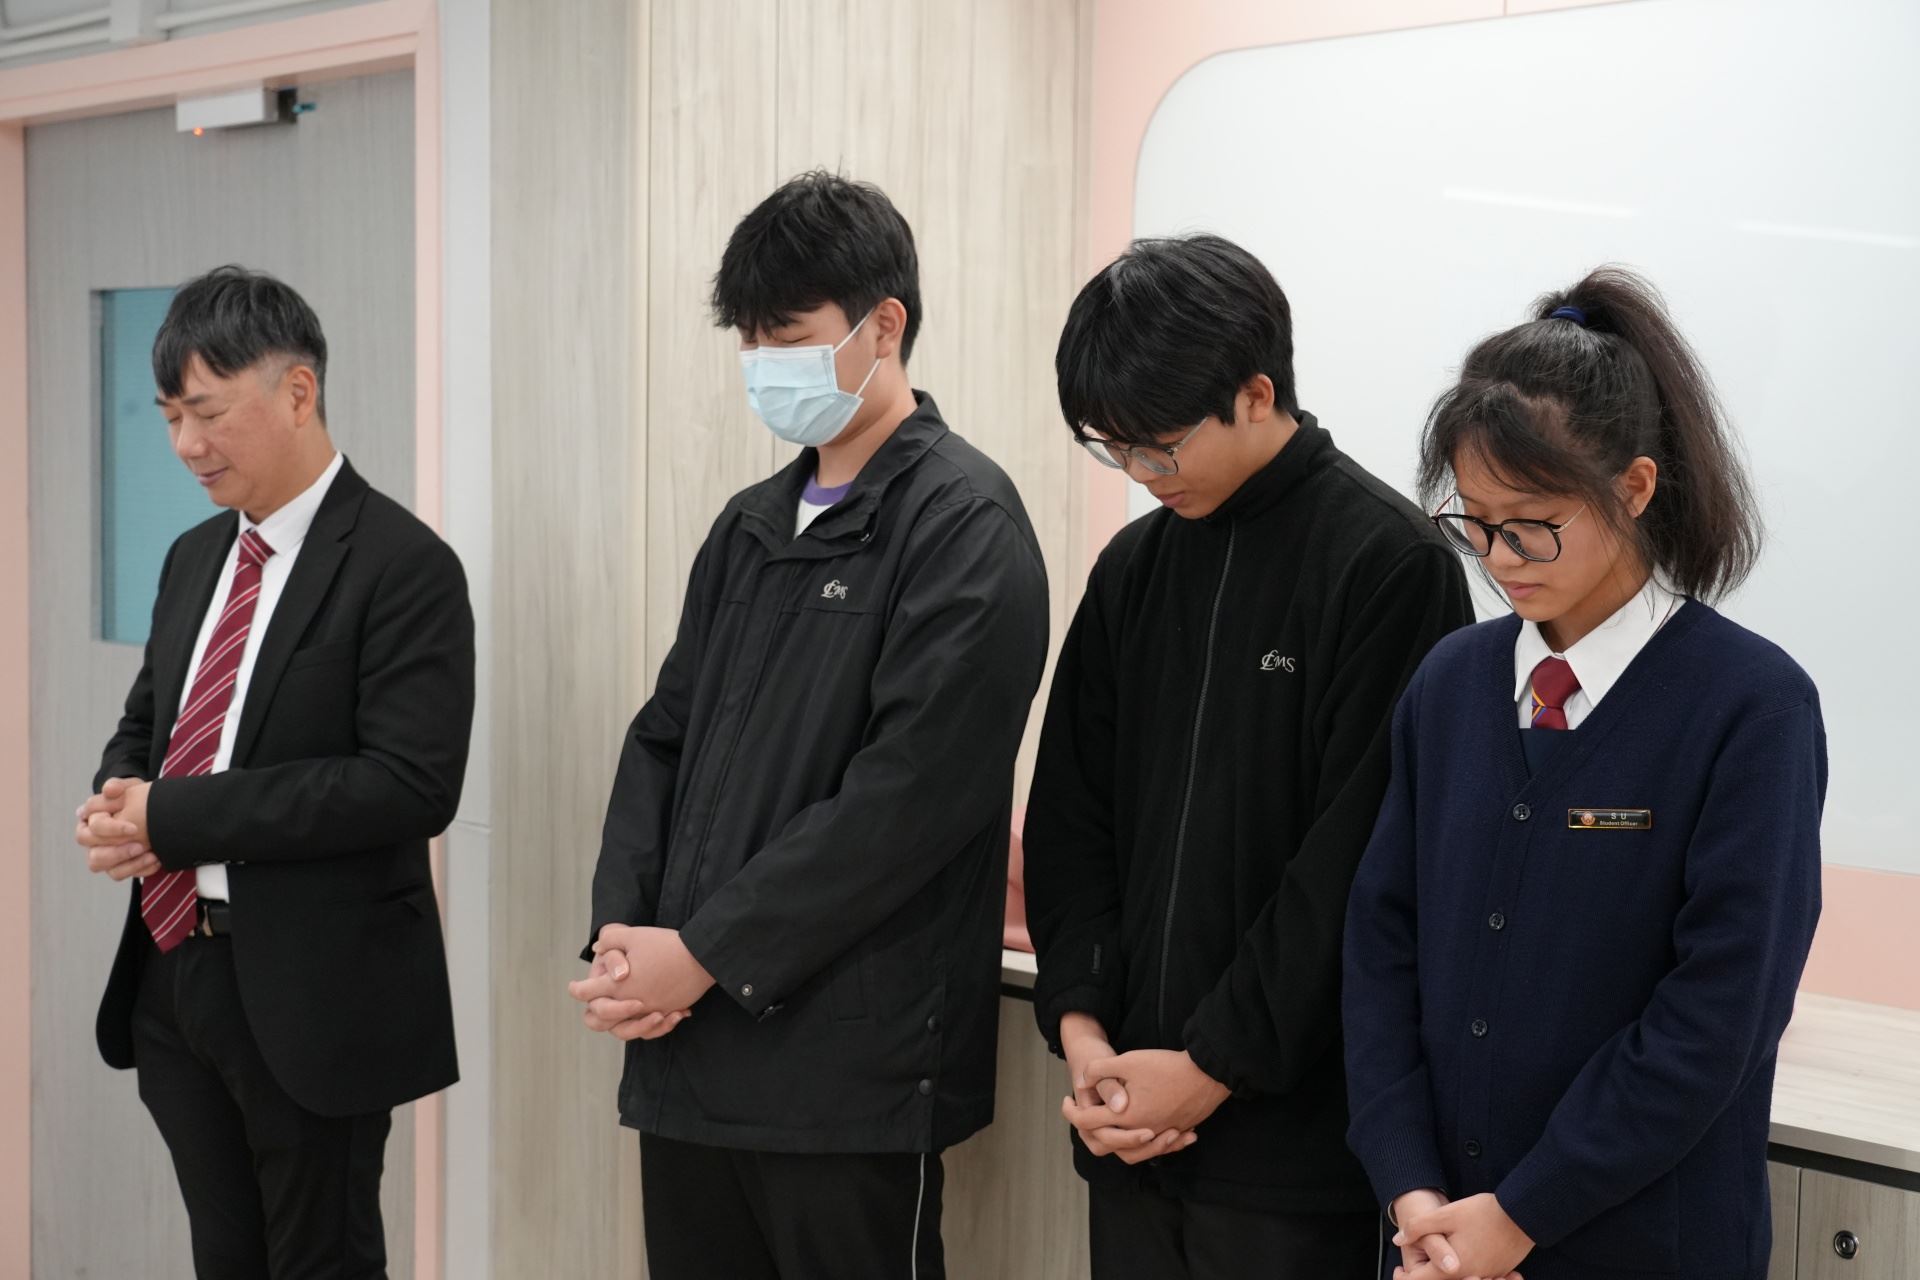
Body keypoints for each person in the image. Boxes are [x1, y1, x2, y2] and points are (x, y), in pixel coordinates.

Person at [566, 171, 1049, 1279]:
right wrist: (622, 930)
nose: (763, 362)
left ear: (885, 325)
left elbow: (908, 798)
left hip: (849, 1074)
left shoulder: (963, 524)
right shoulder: (749, 525)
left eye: (787, 336)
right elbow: (663, 738)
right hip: (689, 1048)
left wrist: (705, 953)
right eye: (749, 339)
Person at [1343, 267, 1824, 1280]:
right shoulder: (1449, 683)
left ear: (1635, 488)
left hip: (1640, 1245)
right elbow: (1380, 951)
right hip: (1434, 1243)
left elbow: (1716, 1018)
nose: (1499, 556)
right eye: (1474, 521)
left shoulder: (1752, 706)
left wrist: (1521, 1214)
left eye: (1532, 522)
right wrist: (1412, 1191)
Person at [1023, 233, 1472, 1278]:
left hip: (1289, 1145)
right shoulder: (1134, 568)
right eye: (1115, 450)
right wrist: (1084, 1034)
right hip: (1127, 1123)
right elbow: (1070, 817)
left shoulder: (1389, 565)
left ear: (1257, 393)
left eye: (1160, 447)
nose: (1142, 476)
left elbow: (1356, 865)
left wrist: (1212, 1066)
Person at [74, 265, 475, 1278]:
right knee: (226, 1256)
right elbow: (149, 723)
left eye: (208, 412)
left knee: (320, 1259)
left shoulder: (404, 565)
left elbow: (407, 784)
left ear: (298, 392)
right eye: (170, 416)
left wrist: (175, 817)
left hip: (313, 991)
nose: (185, 445)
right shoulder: (193, 556)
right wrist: (122, 799)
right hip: (176, 975)